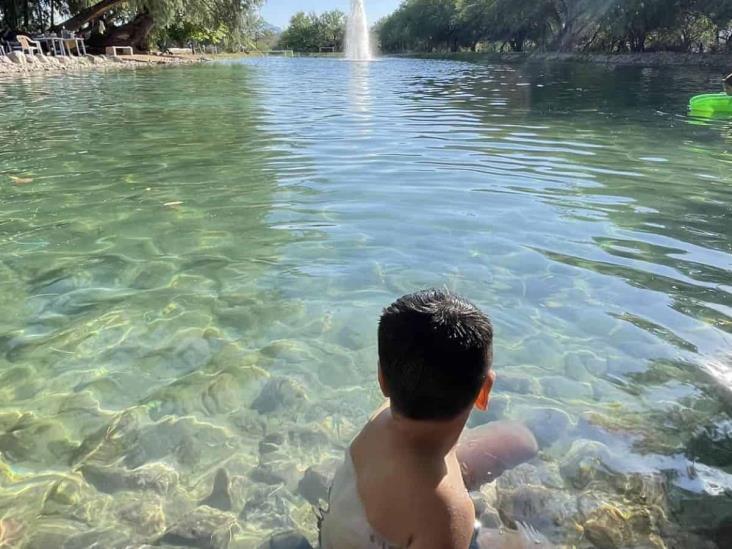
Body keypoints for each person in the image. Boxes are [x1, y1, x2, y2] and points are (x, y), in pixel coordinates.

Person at [319, 289, 539, 549]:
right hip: (421, 512)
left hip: (341, 534)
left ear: (382, 380)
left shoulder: (379, 419)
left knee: (519, 440)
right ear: (484, 392)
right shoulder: (448, 514)